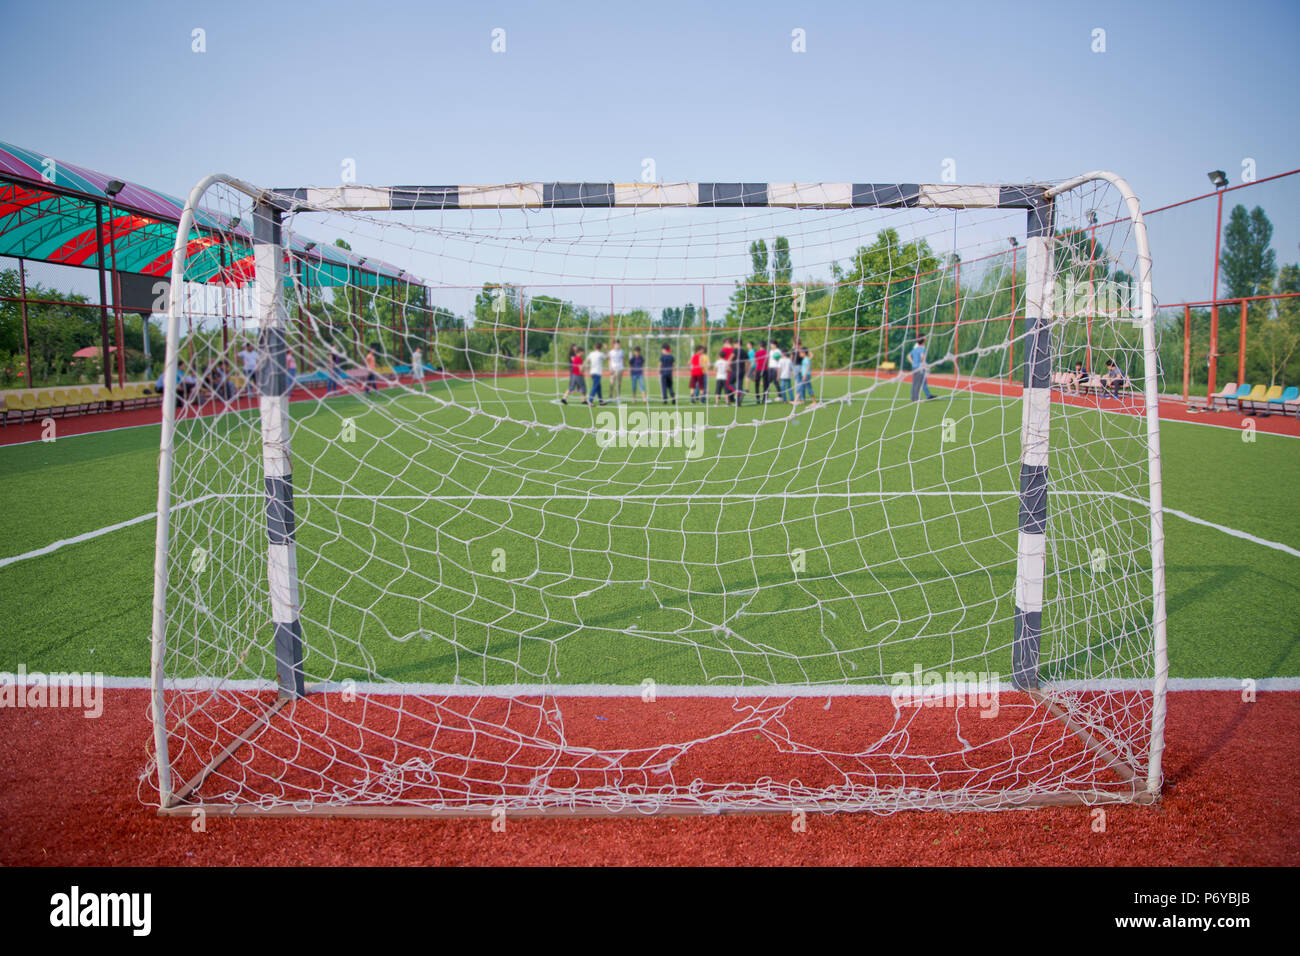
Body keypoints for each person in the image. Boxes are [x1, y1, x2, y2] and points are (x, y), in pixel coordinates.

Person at [908, 335, 935, 402]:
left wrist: (913, 363)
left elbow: (908, 356)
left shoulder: (915, 349)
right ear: (923, 340)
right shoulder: (921, 348)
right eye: (925, 338)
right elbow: (922, 356)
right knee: (918, 383)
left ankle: (924, 396)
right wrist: (924, 364)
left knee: (918, 382)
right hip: (919, 368)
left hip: (914, 367)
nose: (926, 338)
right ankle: (915, 398)